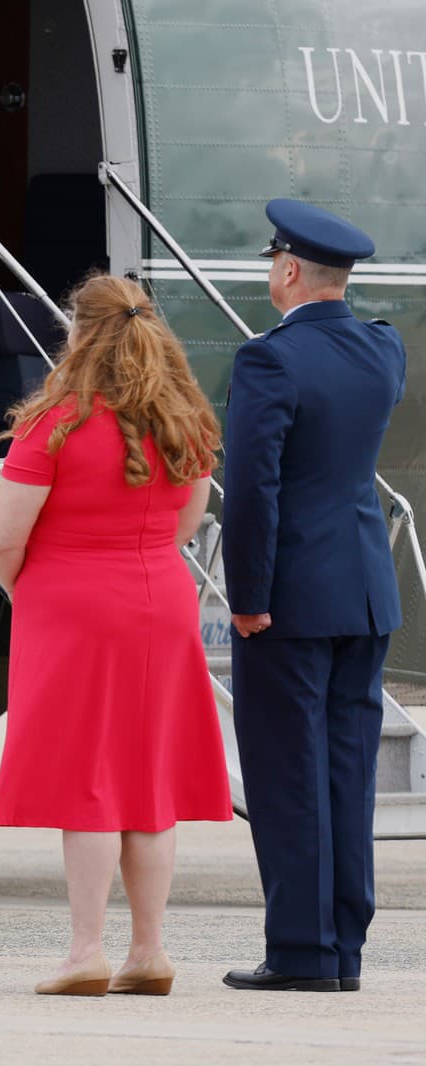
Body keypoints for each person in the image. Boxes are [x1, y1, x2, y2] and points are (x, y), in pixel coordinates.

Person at [0, 274, 233, 996]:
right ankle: (149, 950)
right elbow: (189, 524)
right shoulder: (183, 417)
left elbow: (4, 538)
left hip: (73, 604)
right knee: (148, 779)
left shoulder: (52, 422)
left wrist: (31, 586)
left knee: (87, 779)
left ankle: (86, 950)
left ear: (78, 333)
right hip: (161, 596)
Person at [221, 200, 407, 993]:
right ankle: (345, 951)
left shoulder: (269, 361)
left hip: (291, 597)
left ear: (290, 270)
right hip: (365, 589)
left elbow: (253, 489)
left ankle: (302, 952)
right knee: (345, 773)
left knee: (287, 773)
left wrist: (247, 594)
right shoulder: (383, 352)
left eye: (273, 263)